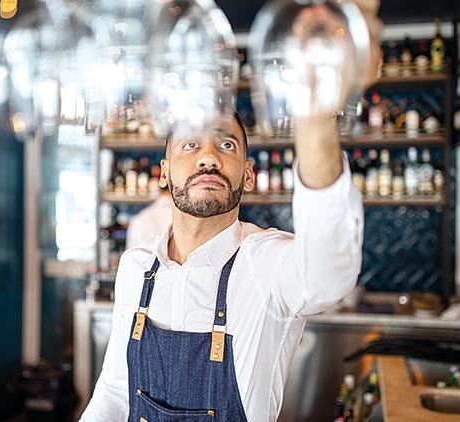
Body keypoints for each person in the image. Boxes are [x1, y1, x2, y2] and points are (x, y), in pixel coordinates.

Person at [81, 2, 382, 419]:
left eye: (226, 145)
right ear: (164, 173)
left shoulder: (267, 264)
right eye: (190, 144)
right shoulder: (135, 267)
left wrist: (315, 115)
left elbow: (330, 272)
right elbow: (113, 395)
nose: (209, 157)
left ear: (249, 174)